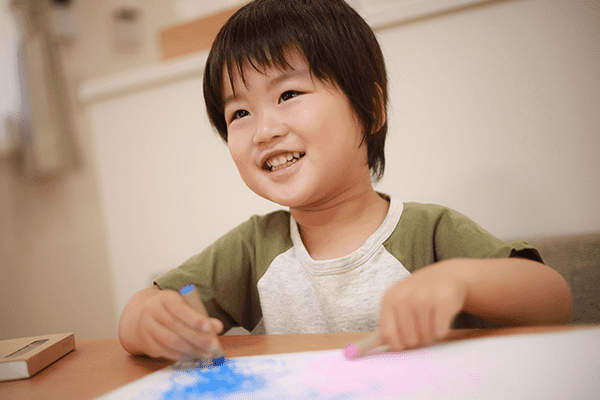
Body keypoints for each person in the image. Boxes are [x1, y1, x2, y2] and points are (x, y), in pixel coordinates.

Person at [118, 0, 572, 361]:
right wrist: (149, 319)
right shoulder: (254, 248)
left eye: (288, 94)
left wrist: (458, 281)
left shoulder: (428, 232)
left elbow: (553, 299)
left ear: (369, 109)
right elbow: (137, 313)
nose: (264, 130)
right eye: (239, 112)